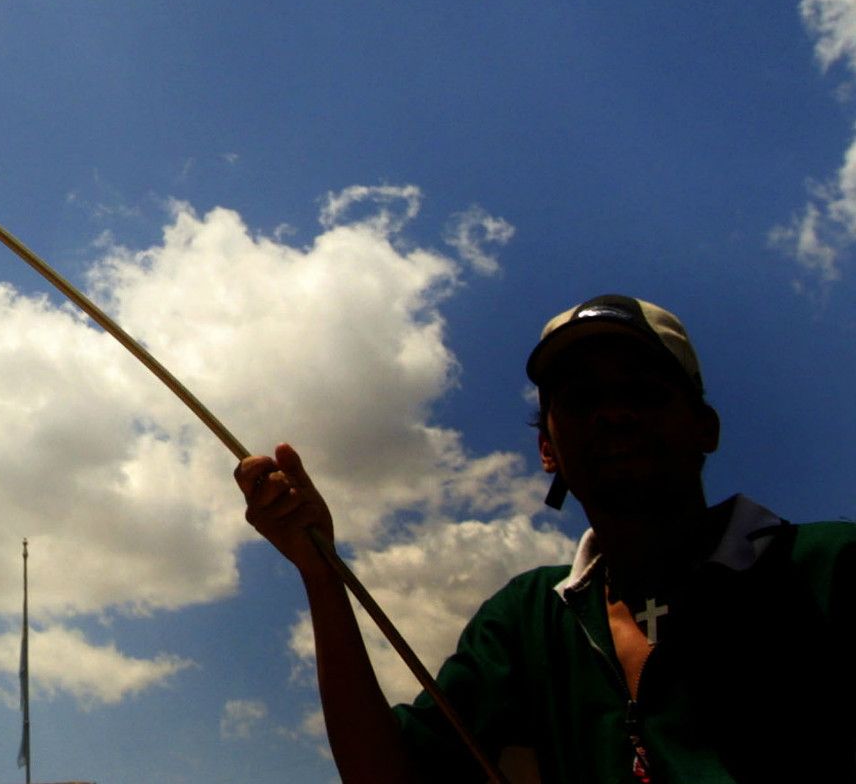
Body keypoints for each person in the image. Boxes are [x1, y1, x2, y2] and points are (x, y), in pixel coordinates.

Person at [235, 294, 855, 782]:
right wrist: (321, 573)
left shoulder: (829, 568)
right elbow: (389, 776)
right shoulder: (527, 619)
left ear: (705, 427)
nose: (614, 413)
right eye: (582, 399)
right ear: (546, 450)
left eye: (644, 391)